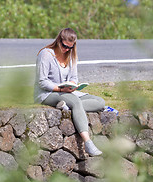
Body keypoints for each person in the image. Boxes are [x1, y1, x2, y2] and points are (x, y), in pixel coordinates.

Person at [34, 28, 105, 156]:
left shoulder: (71, 56)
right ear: (58, 41)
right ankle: (88, 142)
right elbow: (42, 81)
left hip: (67, 92)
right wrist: (61, 89)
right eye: (64, 46)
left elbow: (73, 78)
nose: (66, 49)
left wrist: (73, 85)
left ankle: (67, 108)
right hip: (46, 93)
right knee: (76, 102)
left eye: (70, 47)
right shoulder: (46, 54)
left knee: (100, 102)